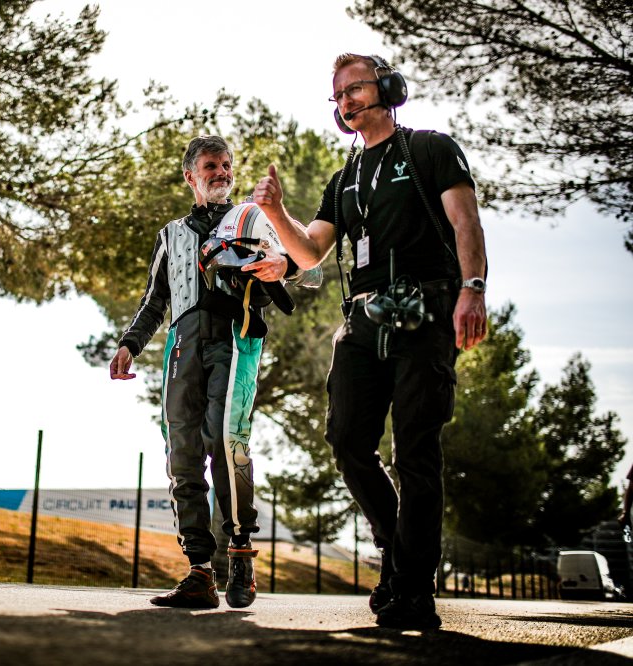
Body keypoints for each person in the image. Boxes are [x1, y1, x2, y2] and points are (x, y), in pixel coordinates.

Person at [252, 54, 488, 629]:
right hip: (362, 320)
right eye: (337, 96)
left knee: (415, 450)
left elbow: (466, 223)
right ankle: (397, 553)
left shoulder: (430, 149)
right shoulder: (344, 179)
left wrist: (473, 289)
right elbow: (311, 252)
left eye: (354, 89)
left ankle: (414, 589)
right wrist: (276, 213)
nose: (345, 102)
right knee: (347, 440)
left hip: (427, 311)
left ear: (388, 87)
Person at [110, 135, 317, 609]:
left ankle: (241, 555)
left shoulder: (253, 218)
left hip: (235, 337)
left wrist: (282, 264)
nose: (222, 172)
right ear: (191, 175)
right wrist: (129, 343)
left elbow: (313, 268)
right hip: (182, 346)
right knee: (182, 454)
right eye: (211, 166)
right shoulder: (170, 234)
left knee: (226, 442)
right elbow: (154, 301)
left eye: (226, 165)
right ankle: (199, 572)